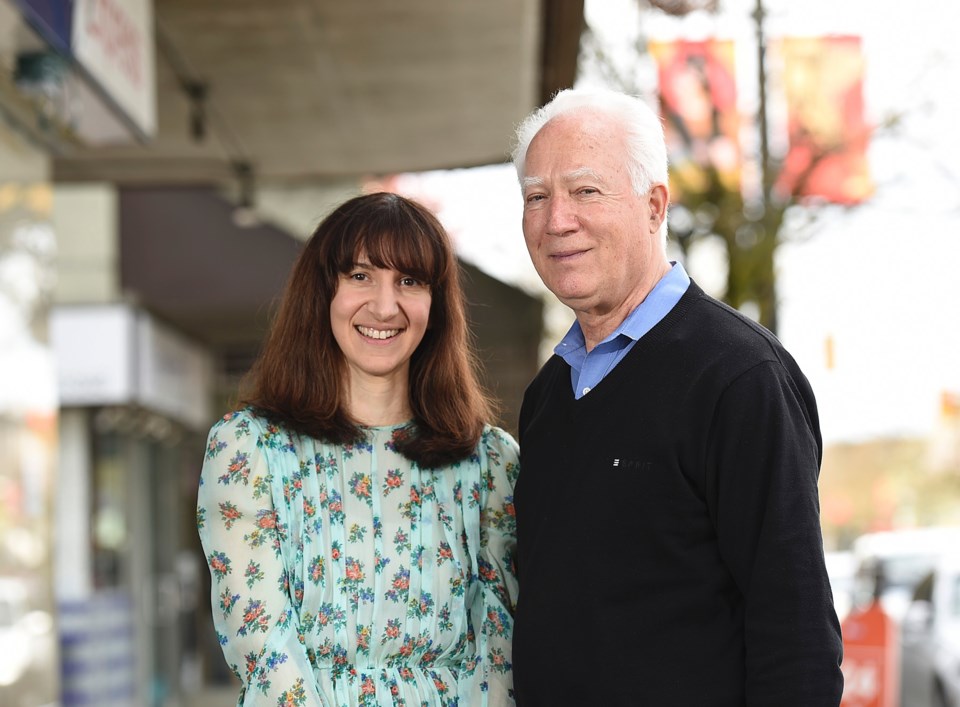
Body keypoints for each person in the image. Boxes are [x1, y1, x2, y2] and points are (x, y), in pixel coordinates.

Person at [508, 87, 843, 705]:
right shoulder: (548, 397)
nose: (558, 220)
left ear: (655, 205)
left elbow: (794, 634)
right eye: (537, 196)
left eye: (586, 191)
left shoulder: (739, 377)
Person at [197, 192, 519, 706]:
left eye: (409, 281)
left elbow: (500, 647)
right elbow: (261, 640)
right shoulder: (249, 448)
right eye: (360, 276)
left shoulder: (490, 462)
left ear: (435, 306)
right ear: (323, 291)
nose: (385, 306)